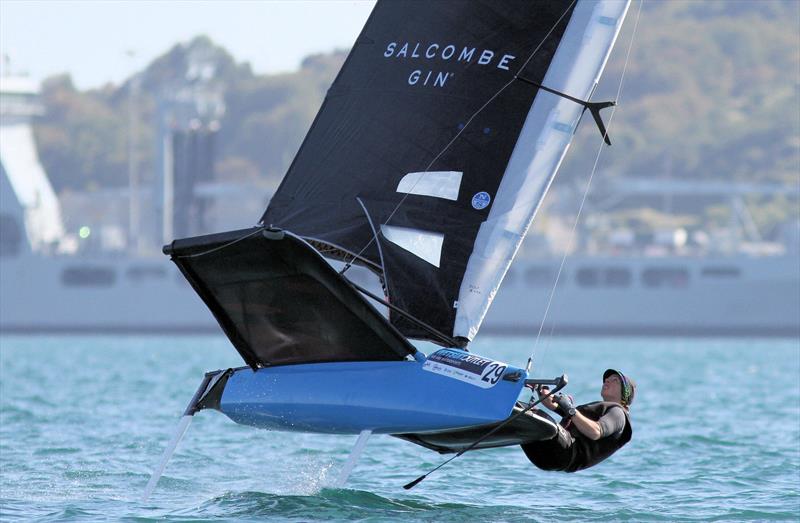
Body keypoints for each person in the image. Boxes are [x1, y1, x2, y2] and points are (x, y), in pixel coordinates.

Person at [520, 369, 635, 472]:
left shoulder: (618, 413)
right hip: (546, 459)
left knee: (526, 413)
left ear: (625, 393)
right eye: (606, 379)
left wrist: (570, 409)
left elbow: (596, 432)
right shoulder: (600, 410)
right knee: (520, 414)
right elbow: (553, 405)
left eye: (614, 380)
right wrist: (541, 390)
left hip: (565, 452)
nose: (607, 381)